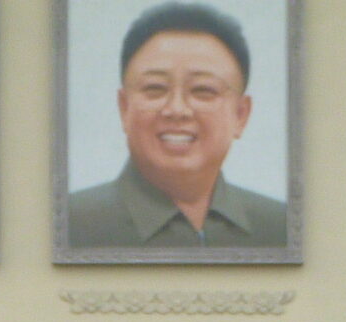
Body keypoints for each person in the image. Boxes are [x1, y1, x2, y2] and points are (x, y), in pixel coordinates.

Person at [65, 1, 289, 249]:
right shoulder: (70, 225)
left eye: (203, 90)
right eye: (155, 89)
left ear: (241, 114)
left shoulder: (282, 228)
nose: (177, 110)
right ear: (124, 108)